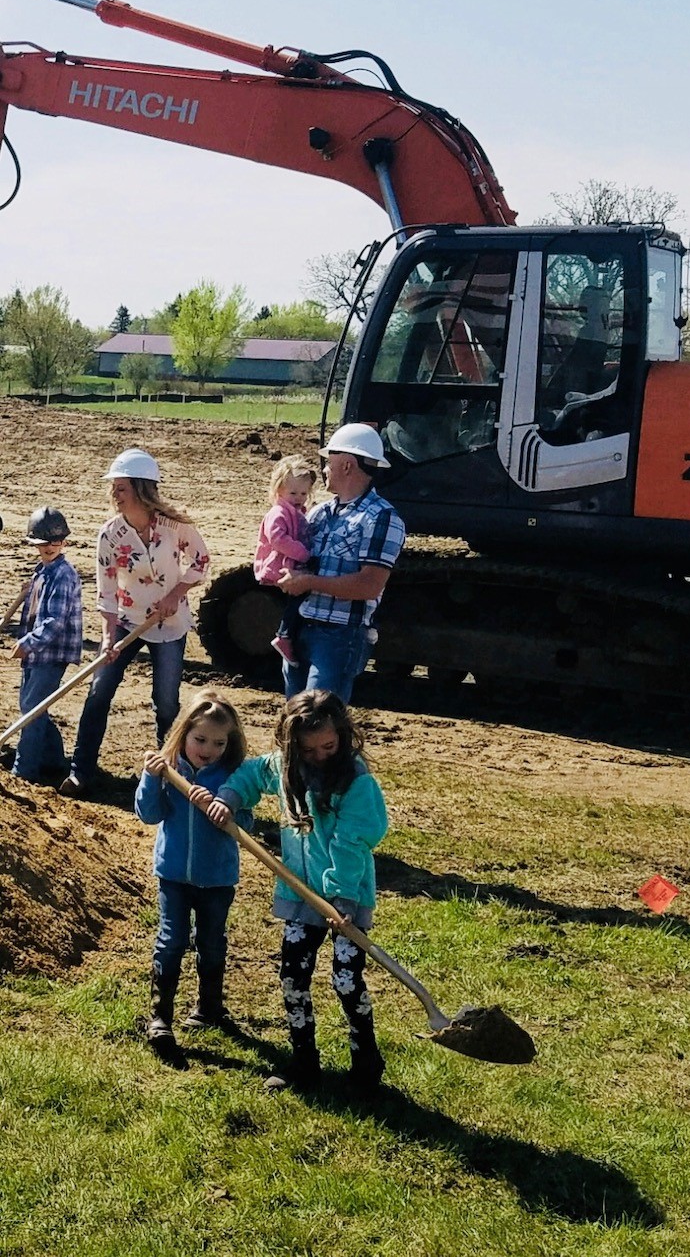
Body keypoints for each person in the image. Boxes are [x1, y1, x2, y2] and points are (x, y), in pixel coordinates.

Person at [200, 689, 388, 1094]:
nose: (319, 755)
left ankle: (366, 1063)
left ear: (342, 735)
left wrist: (341, 899)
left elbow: (353, 842)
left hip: (348, 897)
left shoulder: (356, 782)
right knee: (293, 975)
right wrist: (229, 799)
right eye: (308, 749)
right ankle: (304, 1061)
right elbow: (252, 775)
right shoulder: (288, 767)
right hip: (302, 897)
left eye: (328, 746)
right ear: (291, 745)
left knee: (346, 980)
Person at [60, 448, 210, 798]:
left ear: (142, 489)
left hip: (170, 625)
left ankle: (170, 775)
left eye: (122, 487)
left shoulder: (175, 524)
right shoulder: (110, 534)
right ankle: (81, 772)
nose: (114, 493)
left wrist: (176, 593)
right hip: (127, 621)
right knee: (99, 692)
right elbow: (107, 590)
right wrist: (108, 638)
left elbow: (201, 560)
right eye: (114, 486)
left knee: (167, 702)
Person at [134, 690, 253, 1051]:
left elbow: (245, 824)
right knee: (171, 940)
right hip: (173, 874)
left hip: (216, 877)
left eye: (218, 742)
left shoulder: (232, 777)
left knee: (212, 941)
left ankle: (209, 1007)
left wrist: (226, 812)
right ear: (183, 733)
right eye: (200, 739)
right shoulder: (168, 770)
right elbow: (148, 814)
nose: (208, 748)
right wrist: (152, 778)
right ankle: (160, 1016)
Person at [277, 423, 406, 705]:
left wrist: (308, 582)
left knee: (317, 720)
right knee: (295, 717)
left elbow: (369, 585)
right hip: (303, 626)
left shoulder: (382, 518)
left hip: (340, 635)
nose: (323, 468)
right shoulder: (320, 512)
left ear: (347, 465)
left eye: (329, 461)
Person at [11, 506, 83, 783]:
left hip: (51, 654)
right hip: (36, 654)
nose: (50, 547)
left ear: (64, 541)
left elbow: (54, 621)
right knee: (33, 706)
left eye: (56, 542)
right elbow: (35, 612)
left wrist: (26, 643)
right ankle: (53, 760)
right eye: (43, 544)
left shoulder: (64, 575)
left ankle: (24, 770)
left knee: (31, 711)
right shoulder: (41, 571)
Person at [253, 454, 316, 666]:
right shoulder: (278, 512)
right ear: (279, 490)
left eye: (303, 493)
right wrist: (304, 554)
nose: (299, 497)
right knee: (297, 598)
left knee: (298, 598)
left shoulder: (296, 512)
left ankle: (291, 635)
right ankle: (285, 636)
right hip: (279, 566)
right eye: (293, 493)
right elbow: (278, 540)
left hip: (290, 564)